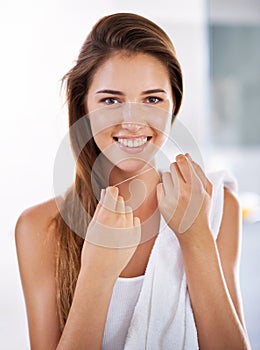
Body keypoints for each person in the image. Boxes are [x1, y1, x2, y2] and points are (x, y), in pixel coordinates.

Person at [15, 12, 251, 350]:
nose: (132, 121)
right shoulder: (40, 228)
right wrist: (96, 272)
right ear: (83, 107)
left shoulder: (217, 207)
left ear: (173, 107)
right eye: (111, 100)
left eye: (152, 100)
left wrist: (196, 238)